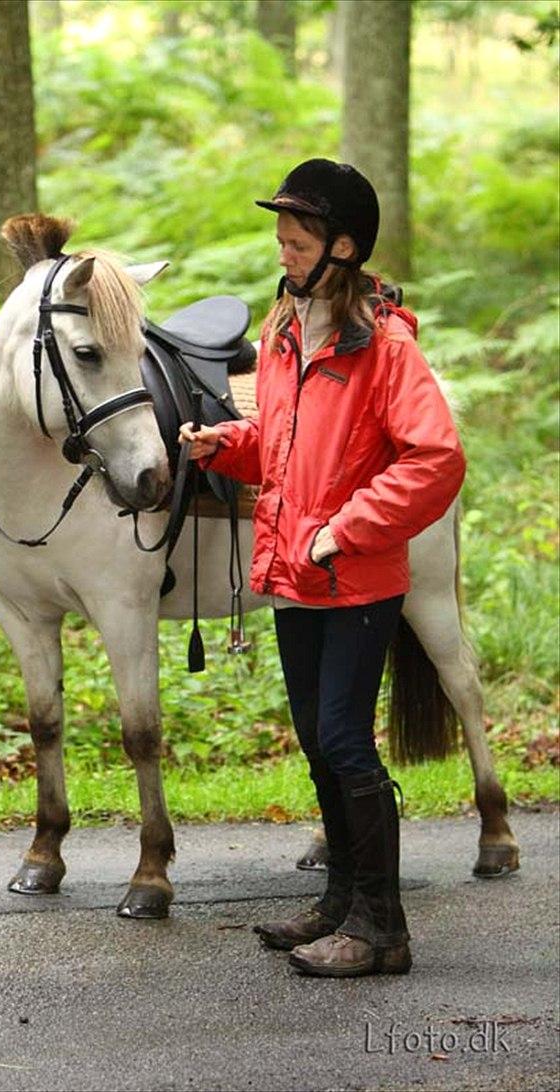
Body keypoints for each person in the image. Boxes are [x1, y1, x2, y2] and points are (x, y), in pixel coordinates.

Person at [178, 158, 466, 978]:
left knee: (344, 739)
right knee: (315, 738)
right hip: (292, 572)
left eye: (299, 240)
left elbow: (435, 457)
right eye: (281, 237)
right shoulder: (283, 330)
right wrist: (221, 446)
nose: (284, 252)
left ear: (343, 246)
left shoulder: (386, 346)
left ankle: (383, 931)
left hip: (355, 575)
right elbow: (279, 443)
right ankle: (341, 902)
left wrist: (346, 529)